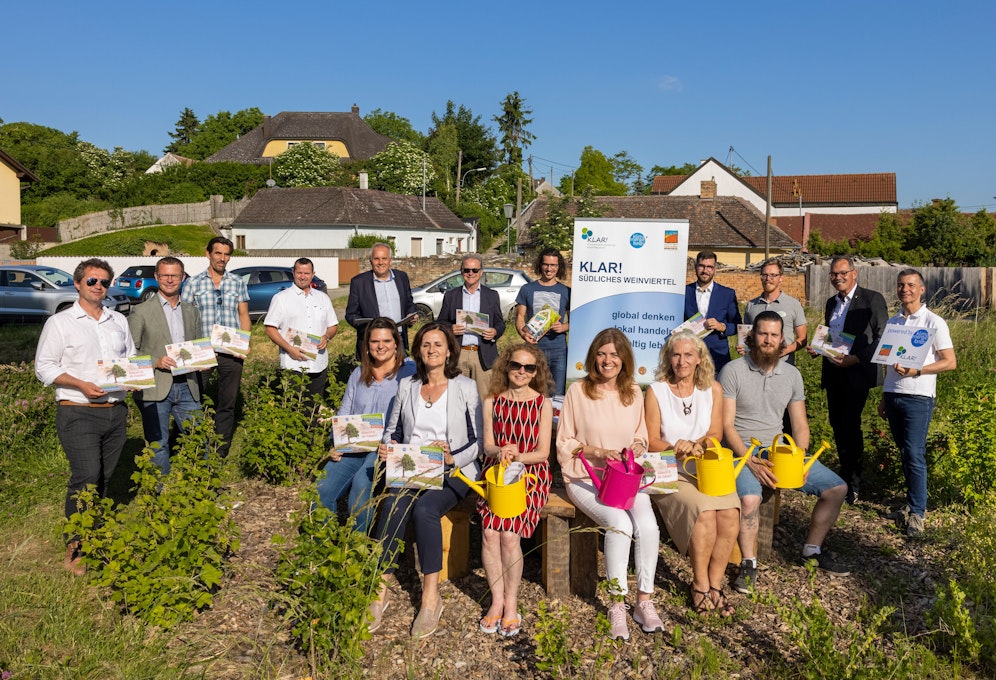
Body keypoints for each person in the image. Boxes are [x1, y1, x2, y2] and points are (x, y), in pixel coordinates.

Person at [367, 323, 483, 638]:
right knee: (392, 504)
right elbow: (394, 431)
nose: (432, 350)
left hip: (453, 469)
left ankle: (431, 596)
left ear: (449, 351)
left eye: (438, 344)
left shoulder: (465, 387)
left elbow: (479, 443)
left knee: (425, 510)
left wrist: (452, 457)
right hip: (413, 466)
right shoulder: (407, 386)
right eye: (426, 345)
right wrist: (387, 446)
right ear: (418, 351)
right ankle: (382, 586)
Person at [722, 311, 849, 594]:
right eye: (763, 334)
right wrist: (749, 460)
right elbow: (726, 426)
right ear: (752, 336)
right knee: (751, 499)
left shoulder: (792, 374)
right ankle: (748, 563)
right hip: (741, 451)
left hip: (779, 451)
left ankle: (811, 551)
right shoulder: (732, 371)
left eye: (774, 335)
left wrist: (800, 457)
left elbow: (800, 425)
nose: (768, 340)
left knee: (837, 489)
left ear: (783, 339)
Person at [555, 328, 663, 641]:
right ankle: (617, 603)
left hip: (625, 478)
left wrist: (639, 447)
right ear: (593, 357)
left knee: (648, 527)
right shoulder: (579, 391)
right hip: (585, 477)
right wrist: (598, 452)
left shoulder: (634, 392)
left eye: (614, 354)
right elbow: (565, 442)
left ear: (624, 358)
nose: (607, 360)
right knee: (619, 525)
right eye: (602, 353)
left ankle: (644, 601)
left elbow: (641, 435)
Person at [35, 258, 136, 575]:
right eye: (92, 281)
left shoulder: (118, 321)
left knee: (104, 477)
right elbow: (45, 368)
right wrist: (80, 384)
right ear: (77, 284)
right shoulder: (61, 323)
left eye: (104, 282)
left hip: (114, 411)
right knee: (86, 477)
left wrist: (134, 380)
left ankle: (94, 532)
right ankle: (75, 546)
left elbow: (129, 359)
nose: (99, 287)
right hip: (78, 410)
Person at [645, 331, 739, 616]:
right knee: (704, 513)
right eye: (676, 354)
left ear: (699, 359)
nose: (681, 361)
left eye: (688, 355)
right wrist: (677, 447)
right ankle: (699, 584)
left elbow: (716, 435)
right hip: (664, 466)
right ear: (667, 358)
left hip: (706, 466)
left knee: (730, 513)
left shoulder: (713, 389)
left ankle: (715, 584)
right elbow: (650, 440)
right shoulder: (656, 390)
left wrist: (697, 445)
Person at [478, 344, 554, 637]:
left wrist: (517, 456)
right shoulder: (492, 401)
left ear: (537, 372)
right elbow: (487, 444)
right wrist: (501, 451)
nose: (522, 372)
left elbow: (542, 453)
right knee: (489, 533)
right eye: (516, 366)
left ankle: (511, 602)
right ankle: (496, 600)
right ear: (506, 367)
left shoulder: (542, 404)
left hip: (531, 475)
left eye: (529, 367)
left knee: (509, 536)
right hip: (497, 472)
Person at [317, 318, 415, 533]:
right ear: (367, 345)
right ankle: (322, 549)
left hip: (383, 450)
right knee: (321, 490)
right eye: (375, 341)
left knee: (360, 492)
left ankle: (356, 552)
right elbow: (345, 412)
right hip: (353, 446)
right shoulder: (358, 373)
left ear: (396, 343)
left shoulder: (409, 373)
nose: (381, 346)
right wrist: (336, 443)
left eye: (387, 340)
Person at [877, 269, 956, 538]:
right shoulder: (893, 322)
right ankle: (910, 504)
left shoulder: (934, 322)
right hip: (893, 395)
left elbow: (950, 361)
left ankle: (918, 513)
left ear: (921, 289)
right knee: (904, 452)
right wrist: (884, 396)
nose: (905, 289)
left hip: (918, 397)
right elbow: (888, 362)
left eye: (910, 285)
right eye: (901, 285)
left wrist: (917, 371)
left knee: (914, 453)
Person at [807, 255, 888, 505]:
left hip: (857, 372)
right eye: (833, 274)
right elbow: (834, 336)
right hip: (834, 372)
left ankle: (853, 484)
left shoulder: (872, 299)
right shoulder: (832, 302)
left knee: (850, 425)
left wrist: (857, 358)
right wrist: (819, 347)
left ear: (854, 273)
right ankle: (843, 475)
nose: (838, 278)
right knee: (837, 424)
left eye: (842, 273)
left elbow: (882, 338)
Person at [127, 256, 203, 475]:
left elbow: (196, 344)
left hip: (188, 385)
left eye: (175, 275)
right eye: (165, 275)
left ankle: (202, 484)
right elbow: (131, 352)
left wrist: (201, 360)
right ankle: (160, 493)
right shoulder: (140, 311)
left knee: (198, 439)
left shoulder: (191, 310)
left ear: (182, 278)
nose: (170, 280)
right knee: (157, 443)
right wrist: (155, 361)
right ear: (156, 277)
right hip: (156, 385)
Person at [181, 236, 251, 457]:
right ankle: (195, 444)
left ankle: (220, 449)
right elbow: (185, 318)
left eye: (226, 254)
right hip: (202, 351)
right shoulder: (193, 283)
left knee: (227, 402)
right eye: (218, 253)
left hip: (230, 352)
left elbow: (243, 315)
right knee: (194, 399)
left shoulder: (237, 282)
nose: (222, 258)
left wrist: (245, 342)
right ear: (208, 254)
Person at [263, 257, 339, 400]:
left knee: (313, 407)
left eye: (306, 273)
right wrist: (290, 349)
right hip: (293, 364)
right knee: (294, 407)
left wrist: (327, 337)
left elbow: (333, 325)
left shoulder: (322, 298)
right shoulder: (281, 298)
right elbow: (270, 328)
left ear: (312, 274)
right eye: (299, 273)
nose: (303, 277)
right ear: (293, 272)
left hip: (318, 363)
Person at [438, 253, 505, 401]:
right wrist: (450, 329)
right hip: (459, 353)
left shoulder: (492, 295)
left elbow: (500, 323)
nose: (471, 273)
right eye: (467, 270)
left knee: (484, 401)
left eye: (475, 270)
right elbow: (440, 323)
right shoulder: (451, 295)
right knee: (457, 400)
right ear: (461, 272)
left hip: (482, 354)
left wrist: (495, 332)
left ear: (481, 272)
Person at [345, 243, 417, 360]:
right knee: (374, 377)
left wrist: (411, 314)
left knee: (401, 375)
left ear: (390, 260)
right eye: (376, 259)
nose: (380, 262)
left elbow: (409, 302)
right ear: (370, 261)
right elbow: (350, 314)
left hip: (398, 339)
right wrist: (368, 327)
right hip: (373, 342)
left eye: (384, 258)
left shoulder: (402, 277)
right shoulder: (359, 282)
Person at [514, 248, 571, 395]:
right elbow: (520, 317)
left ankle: (553, 419)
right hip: (534, 349)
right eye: (546, 264)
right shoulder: (527, 289)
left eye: (553, 265)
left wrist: (564, 327)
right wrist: (522, 333)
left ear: (559, 267)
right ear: (540, 265)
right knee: (533, 392)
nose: (549, 269)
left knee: (557, 394)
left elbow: (575, 321)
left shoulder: (566, 291)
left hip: (559, 349)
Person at [740, 259, 808, 364]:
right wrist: (744, 347)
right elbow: (747, 336)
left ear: (781, 278)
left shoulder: (793, 304)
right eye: (764, 275)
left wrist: (786, 350)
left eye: (773, 275)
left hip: (784, 365)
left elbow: (803, 338)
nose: (768, 279)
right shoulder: (751, 305)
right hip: (756, 365)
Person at [684, 250, 741, 373]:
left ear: (715, 269)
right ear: (695, 267)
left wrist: (722, 326)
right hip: (689, 355)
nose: (705, 270)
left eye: (710, 267)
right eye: (702, 266)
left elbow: (737, 325)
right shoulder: (684, 292)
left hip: (717, 356)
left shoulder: (727, 294)